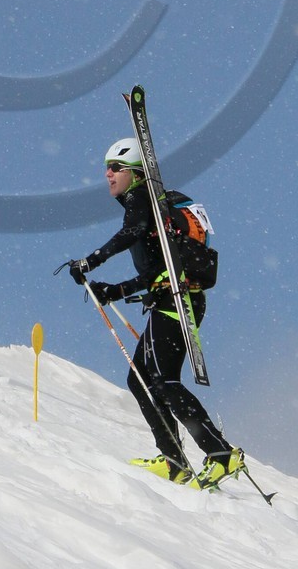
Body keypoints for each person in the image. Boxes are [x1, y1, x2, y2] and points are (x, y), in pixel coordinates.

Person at [65, 137, 243, 489]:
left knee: (162, 381)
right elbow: (153, 272)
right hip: (169, 300)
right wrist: (115, 290)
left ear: (134, 173)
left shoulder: (142, 199)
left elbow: (128, 233)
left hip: (179, 303)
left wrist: (92, 259)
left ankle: (220, 454)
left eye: (116, 168)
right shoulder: (150, 215)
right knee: (142, 380)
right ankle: (175, 459)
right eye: (107, 167)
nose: (108, 174)